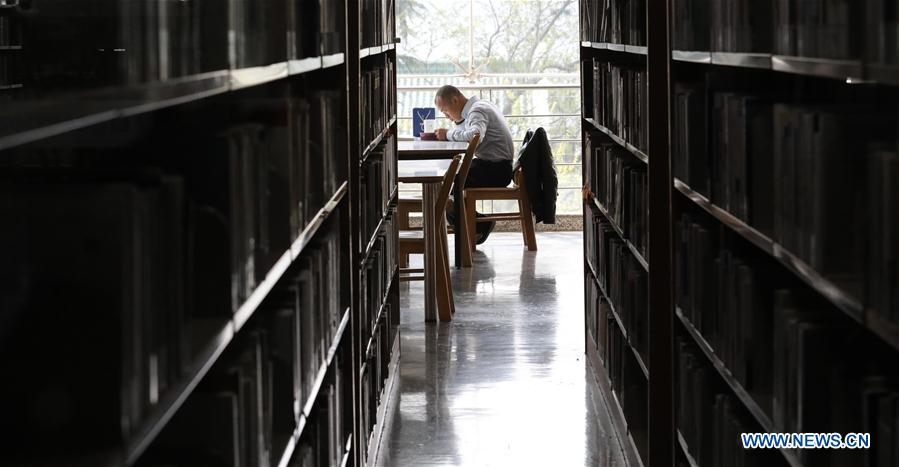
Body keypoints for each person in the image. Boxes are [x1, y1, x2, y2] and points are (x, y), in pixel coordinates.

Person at [434, 85, 515, 244]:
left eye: (446, 111)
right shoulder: (478, 107)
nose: (447, 117)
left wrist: (448, 134)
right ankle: (477, 226)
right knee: (448, 183)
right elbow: (468, 131)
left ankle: (475, 230)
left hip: (497, 170)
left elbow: (474, 135)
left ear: (455, 100)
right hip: (494, 166)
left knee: (448, 185)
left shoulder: (477, 111)